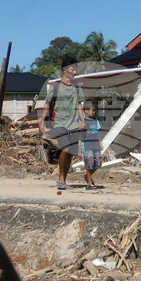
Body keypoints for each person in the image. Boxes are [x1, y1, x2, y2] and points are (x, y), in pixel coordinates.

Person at [38, 55, 84, 190]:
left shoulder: (77, 87)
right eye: (73, 69)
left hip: (74, 124)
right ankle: (61, 179)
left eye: (76, 69)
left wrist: (82, 121)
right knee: (66, 149)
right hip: (59, 123)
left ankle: (63, 180)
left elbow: (79, 105)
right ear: (65, 70)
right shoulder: (55, 87)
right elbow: (47, 104)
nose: (75, 72)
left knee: (70, 153)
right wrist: (42, 122)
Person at [81, 100, 103, 190]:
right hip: (87, 146)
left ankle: (87, 176)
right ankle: (89, 184)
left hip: (96, 145)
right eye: (92, 110)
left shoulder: (95, 120)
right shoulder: (83, 121)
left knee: (98, 163)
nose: (94, 112)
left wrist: (100, 143)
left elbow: (97, 132)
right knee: (89, 164)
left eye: (94, 111)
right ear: (86, 110)